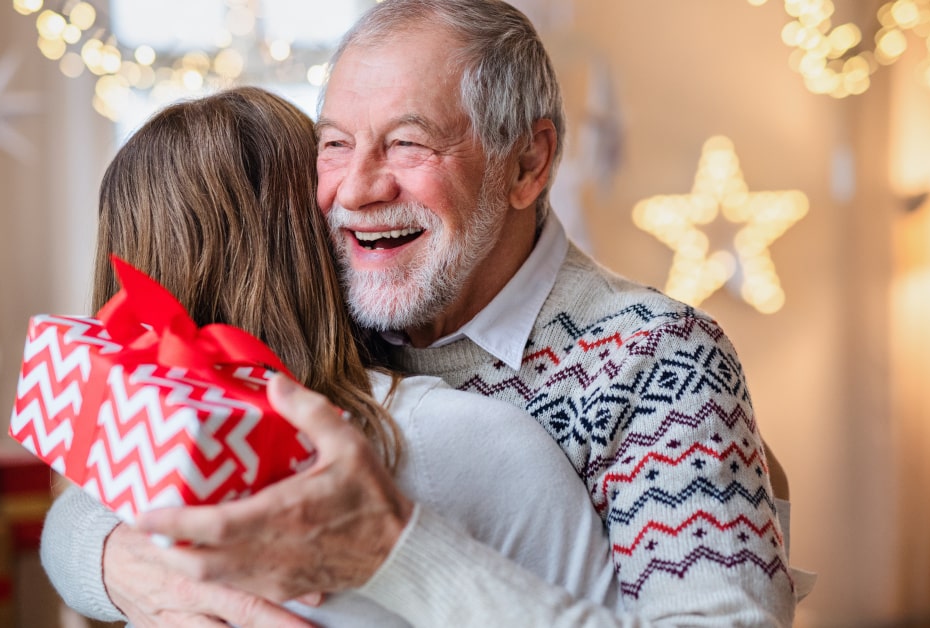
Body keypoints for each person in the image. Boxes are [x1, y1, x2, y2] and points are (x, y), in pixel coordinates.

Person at [125, 0, 804, 625]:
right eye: (334, 144)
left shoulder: (658, 359)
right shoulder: (319, 313)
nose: (356, 191)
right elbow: (98, 483)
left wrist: (394, 555)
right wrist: (123, 571)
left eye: (407, 143)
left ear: (527, 164)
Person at [39, 86, 620, 627]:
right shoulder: (454, 436)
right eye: (335, 159)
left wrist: (100, 558)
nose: (359, 195)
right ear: (313, 234)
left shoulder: (134, 453)